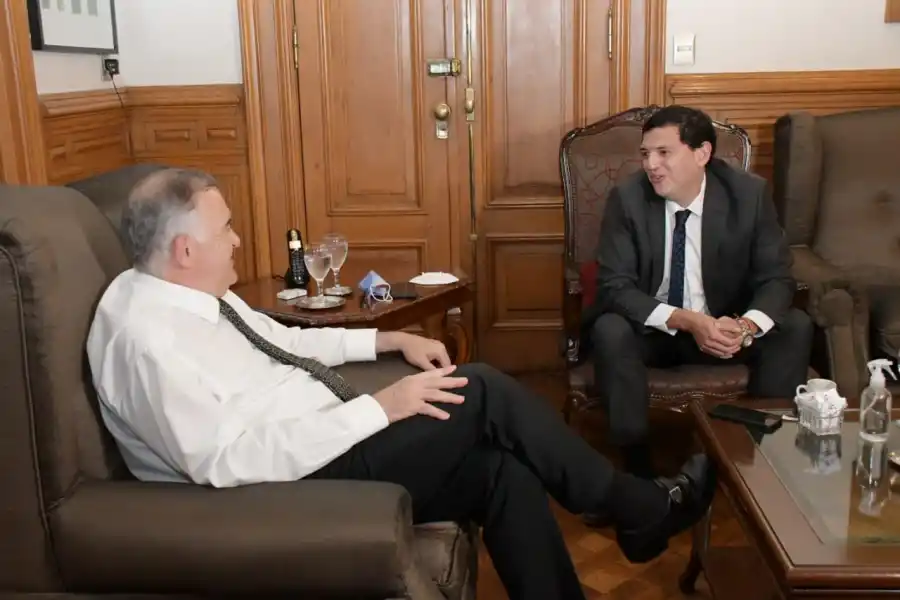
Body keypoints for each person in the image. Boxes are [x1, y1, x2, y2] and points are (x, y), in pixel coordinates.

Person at [86, 168, 716, 600]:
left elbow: (286, 340)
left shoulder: (190, 293)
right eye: (224, 229)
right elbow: (226, 460)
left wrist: (386, 341)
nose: (238, 239)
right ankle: (638, 507)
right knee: (483, 389)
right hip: (286, 484)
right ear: (184, 250)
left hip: (318, 438)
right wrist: (380, 410)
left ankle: (628, 518)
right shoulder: (149, 342)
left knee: (502, 470)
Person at [582, 105, 812, 481]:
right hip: (656, 333)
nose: (651, 165)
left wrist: (746, 327)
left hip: (726, 330)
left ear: (702, 153)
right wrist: (689, 320)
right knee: (610, 329)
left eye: (663, 153)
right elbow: (614, 286)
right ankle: (637, 472)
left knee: (796, 326)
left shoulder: (748, 196)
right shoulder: (628, 199)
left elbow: (777, 278)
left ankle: (754, 457)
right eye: (645, 154)